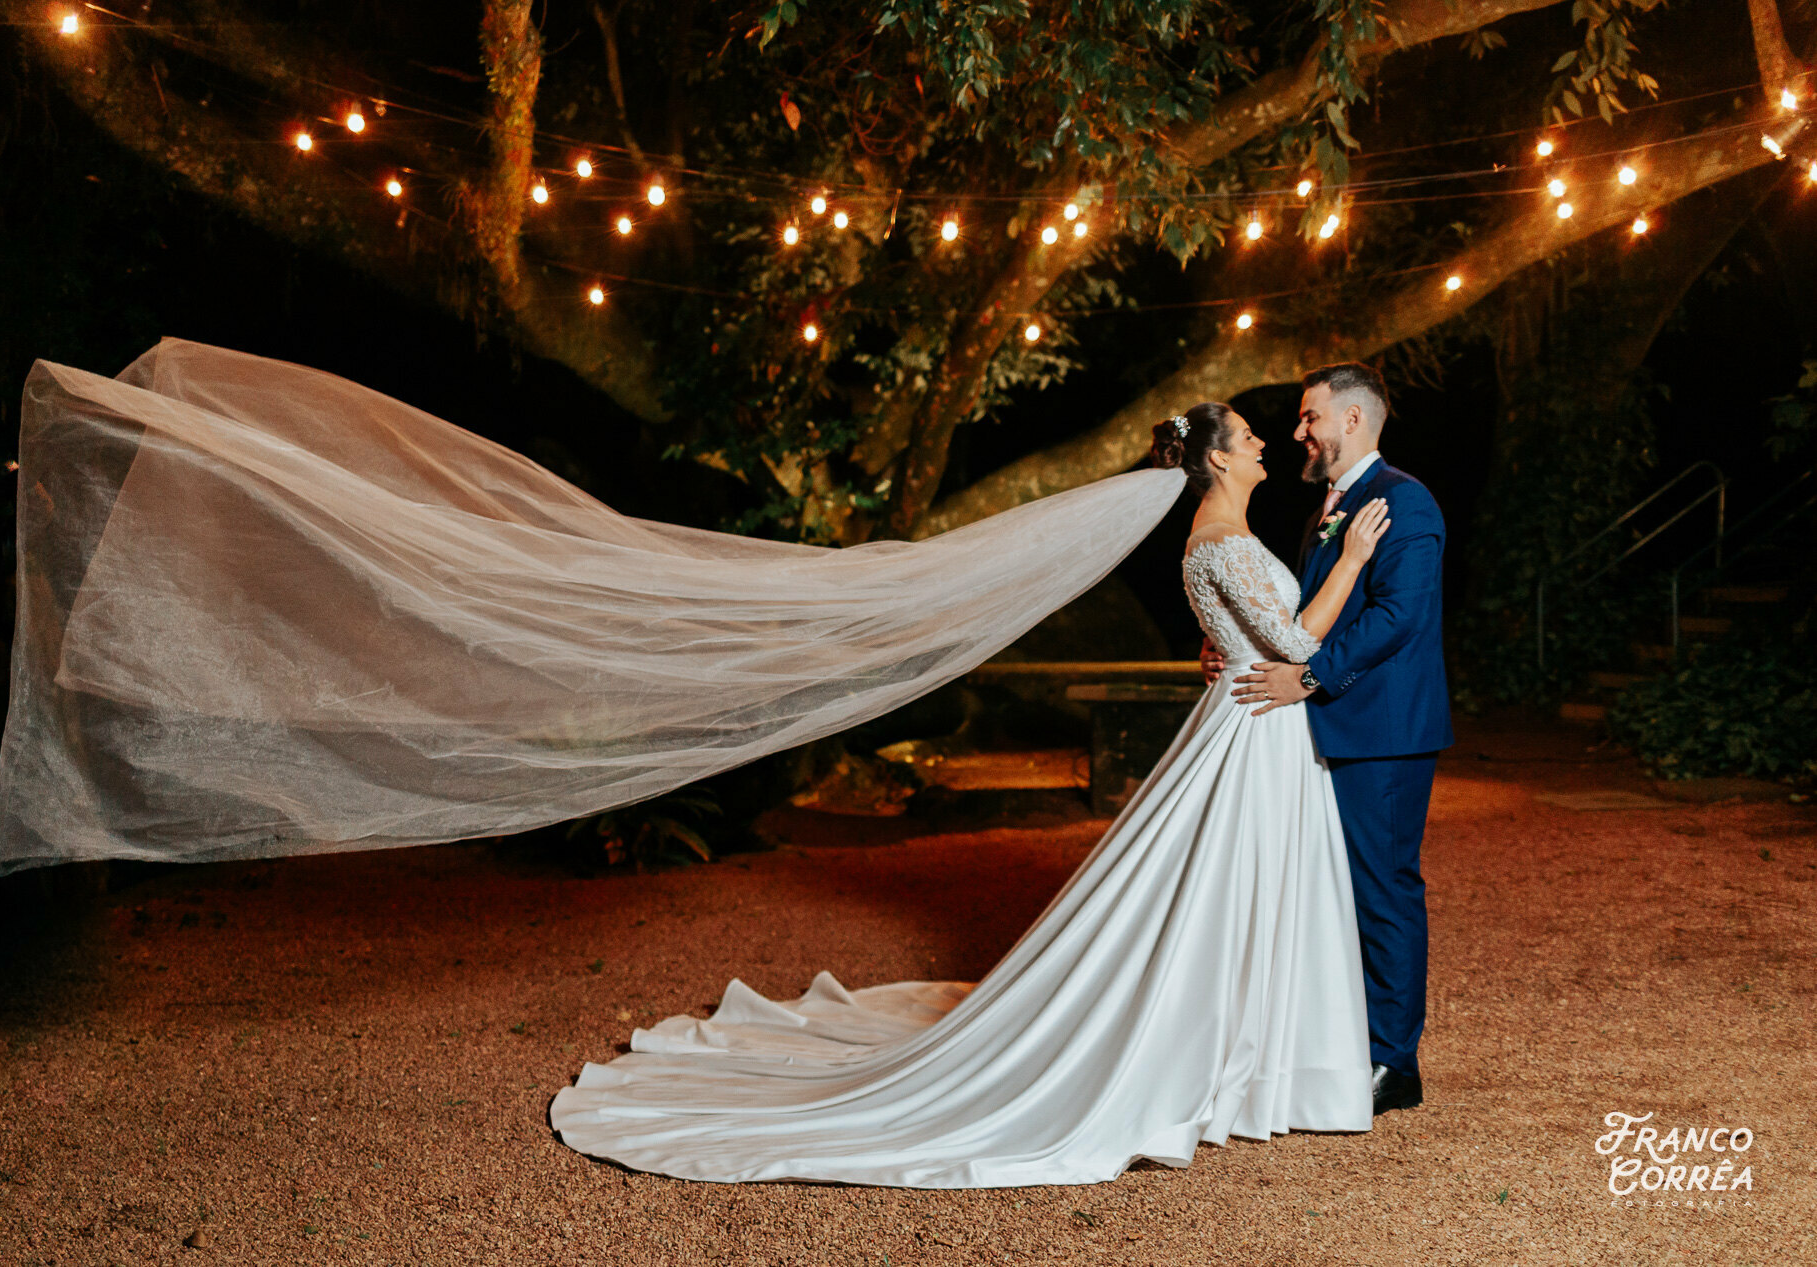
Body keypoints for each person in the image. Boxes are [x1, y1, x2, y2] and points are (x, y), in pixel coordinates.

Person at [548, 401, 1394, 1188]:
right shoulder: (1223, 540)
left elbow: (1246, 639)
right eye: (1247, 434)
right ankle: (1227, 1063)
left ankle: (1252, 1060)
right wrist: (1353, 561)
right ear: (1216, 457)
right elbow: (1290, 638)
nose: (1263, 441)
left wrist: (1234, 650)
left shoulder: (1219, 537)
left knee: (1238, 891)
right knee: (1226, 890)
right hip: (1255, 727)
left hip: (1256, 719)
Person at [1207, 361, 1453, 1115]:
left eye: (1310, 417)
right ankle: (1342, 1041)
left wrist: (1306, 681)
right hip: (1331, 726)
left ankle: (1393, 1063)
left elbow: (1397, 617)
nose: (1299, 432)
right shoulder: (1332, 507)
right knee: (1336, 890)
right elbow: (1304, 611)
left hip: (1383, 730)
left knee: (1383, 890)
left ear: (1352, 420)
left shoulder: (1405, 504)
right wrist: (1240, 645)